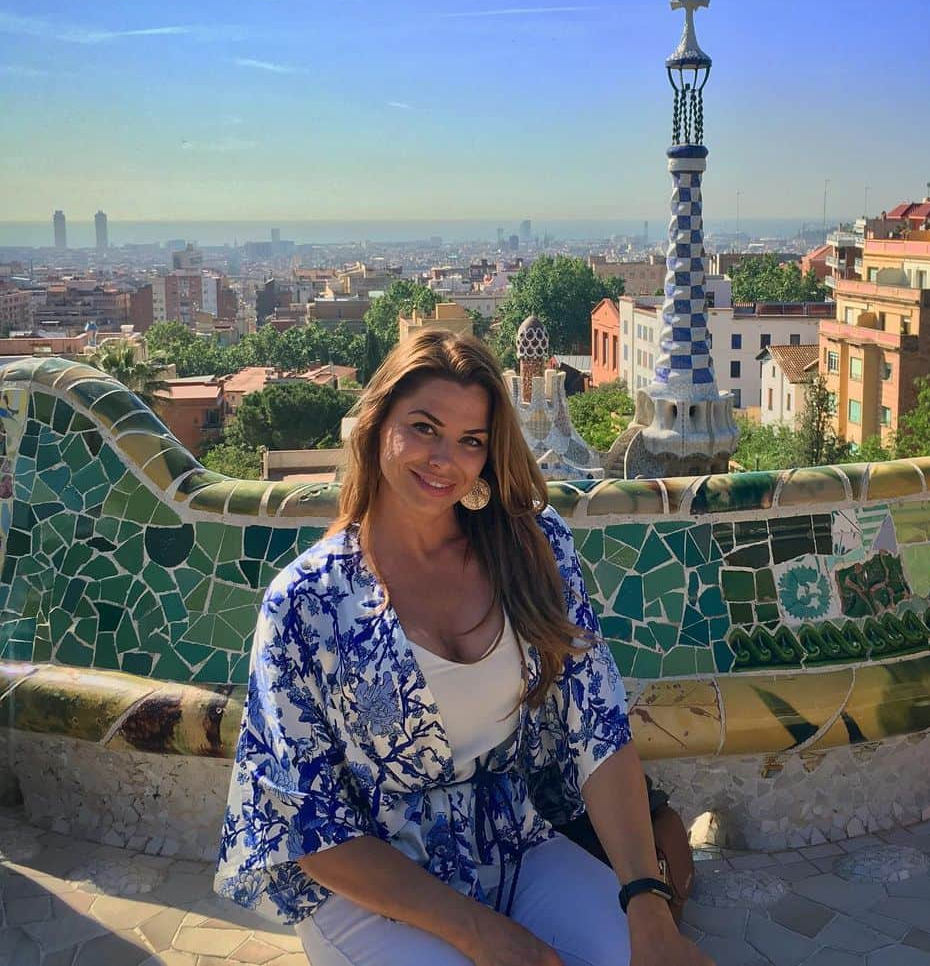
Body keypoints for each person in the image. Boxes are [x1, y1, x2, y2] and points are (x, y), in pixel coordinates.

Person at [215, 329, 714, 966]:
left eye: (471, 441)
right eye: (424, 428)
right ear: (377, 425)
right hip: (379, 888)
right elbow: (308, 822)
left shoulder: (532, 548)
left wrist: (648, 907)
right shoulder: (307, 603)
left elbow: (599, 728)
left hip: (516, 845)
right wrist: (485, 936)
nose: (444, 459)